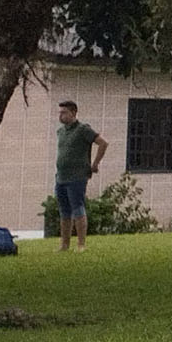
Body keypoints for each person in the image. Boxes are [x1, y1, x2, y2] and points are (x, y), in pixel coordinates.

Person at [50, 99, 106, 252]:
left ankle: (81, 244)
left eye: (64, 112)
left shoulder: (83, 129)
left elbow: (102, 143)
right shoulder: (60, 131)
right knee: (64, 211)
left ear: (74, 113)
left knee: (78, 208)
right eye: (59, 113)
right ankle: (64, 245)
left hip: (77, 177)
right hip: (61, 176)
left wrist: (95, 164)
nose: (61, 116)